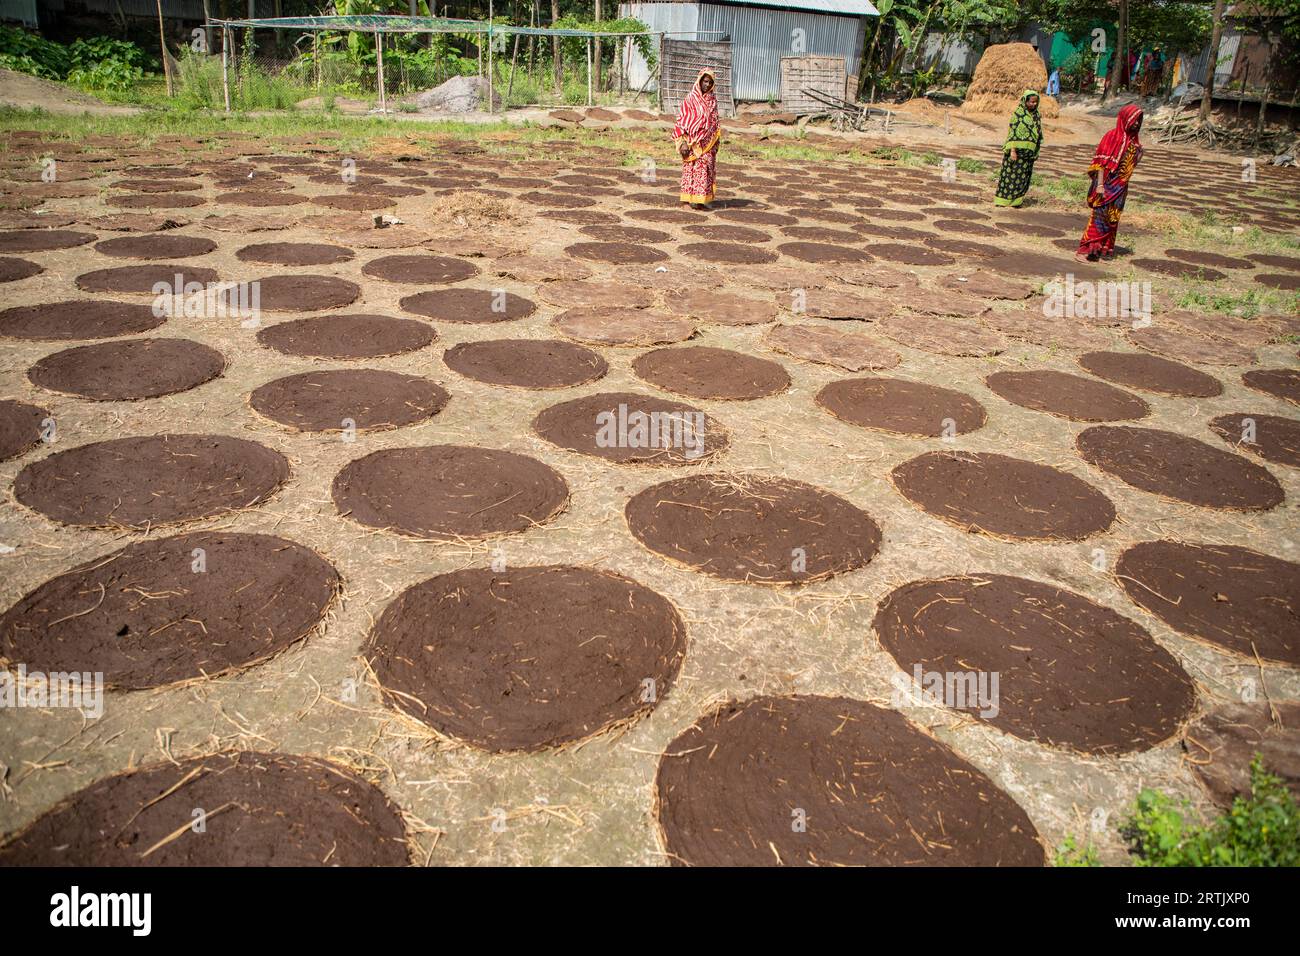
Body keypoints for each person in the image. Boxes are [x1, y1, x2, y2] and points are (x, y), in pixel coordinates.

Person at [1076, 104, 1144, 262]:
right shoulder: (1112, 136)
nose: (1136, 124)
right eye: (1134, 120)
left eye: (1139, 121)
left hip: (1121, 188)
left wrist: (1139, 154)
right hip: (1106, 186)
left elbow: (1129, 166)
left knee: (1112, 219)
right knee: (1099, 218)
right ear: (1125, 119)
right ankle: (1085, 251)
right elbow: (1101, 164)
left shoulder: (1134, 143)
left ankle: (1102, 250)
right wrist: (1099, 185)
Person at [673, 69, 721, 209]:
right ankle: (686, 201)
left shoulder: (712, 100)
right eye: (705, 81)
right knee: (691, 170)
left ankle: (700, 201)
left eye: (710, 82)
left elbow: (715, 120)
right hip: (692, 143)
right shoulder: (691, 98)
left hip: (708, 143)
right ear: (699, 81)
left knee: (705, 171)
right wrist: (682, 142)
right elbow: (682, 120)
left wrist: (716, 141)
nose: (707, 84)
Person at [993, 90, 1042, 208]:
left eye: (1035, 102)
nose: (1033, 104)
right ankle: (1003, 201)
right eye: (1031, 102)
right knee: (1009, 176)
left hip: (1028, 154)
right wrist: (1013, 151)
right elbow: (1013, 133)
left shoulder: (1037, 115)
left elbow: (1038, 133)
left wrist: (1035, 150)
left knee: (1023, 177)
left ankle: (1016, 202)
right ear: (1025, 101)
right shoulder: (1018, 114)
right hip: (1016, 153)